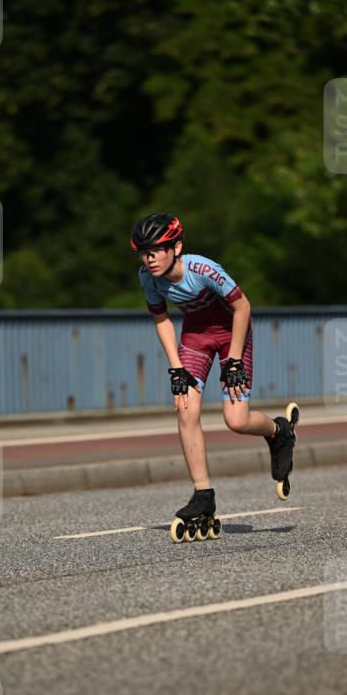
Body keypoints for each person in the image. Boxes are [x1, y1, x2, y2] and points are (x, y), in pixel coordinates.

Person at [130, 212, 298, 540]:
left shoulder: (202, 269)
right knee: (185, 408)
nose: (149, 259)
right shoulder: (147, 278)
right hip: (196, 338)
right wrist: (176, 366)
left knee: (236, 420)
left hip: (232, 333)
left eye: (156, 251)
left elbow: (243, 307)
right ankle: (203, 494)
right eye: (143, 253)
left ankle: (279, 431)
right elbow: (162, 319)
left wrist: (233, 360)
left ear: (176, 248)